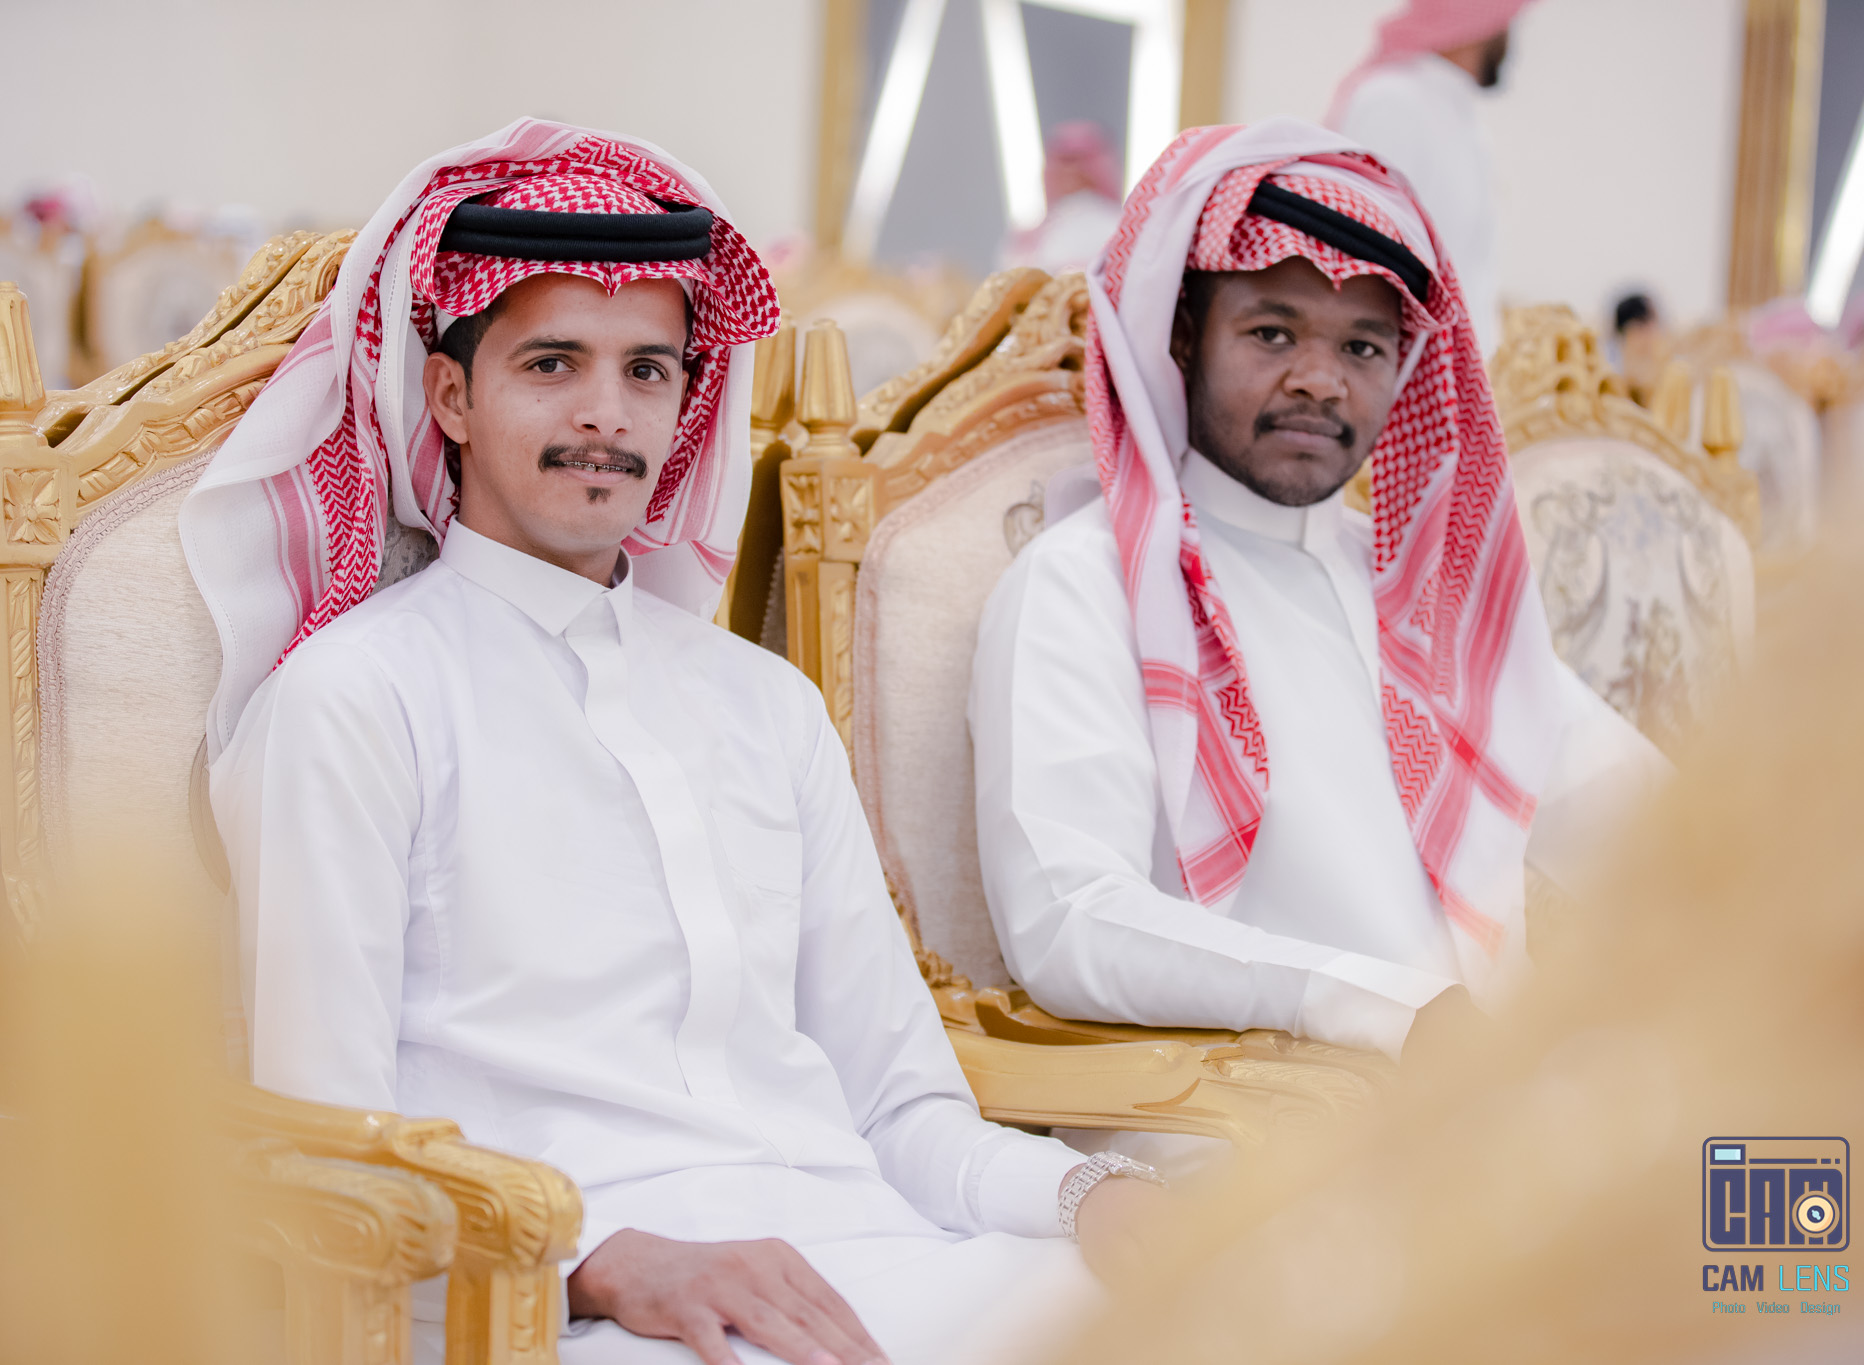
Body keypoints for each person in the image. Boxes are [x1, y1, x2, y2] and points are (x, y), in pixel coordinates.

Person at [189, 121, 1161, 1365]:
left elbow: (900, 1112)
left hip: (872, 1261)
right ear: (451, 396)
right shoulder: (356, 699)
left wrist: (1090, 1197)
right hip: (556, 1314)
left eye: (647, 371)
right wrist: (597, 1268)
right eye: (552, 363)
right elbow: (328, 1155)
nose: (606, 415)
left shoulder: (764, 706)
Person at [968, 120, 1665, 1072]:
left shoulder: (1421, 590)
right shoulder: (1085, 583)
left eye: (1363, 347)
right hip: (1251, 1121)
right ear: (1183, 337)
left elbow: (1636, 813)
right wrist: (1380, 1008)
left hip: (1490, 1099)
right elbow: (1071, 919)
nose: (1320, 382)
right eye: (1272, 333)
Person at [1328, 0, 1533, 360]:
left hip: (1458, 373)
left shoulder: (1459, 118)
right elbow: (1367, 262)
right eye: (1505, 23)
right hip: (1408, 377)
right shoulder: (1393, 103)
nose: (1508, 39)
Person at [999, 121, 1125, 275]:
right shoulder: (1029, 236)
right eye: (1064, 161)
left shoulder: (1116, 226)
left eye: (1077, 160)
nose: (1070, 170)